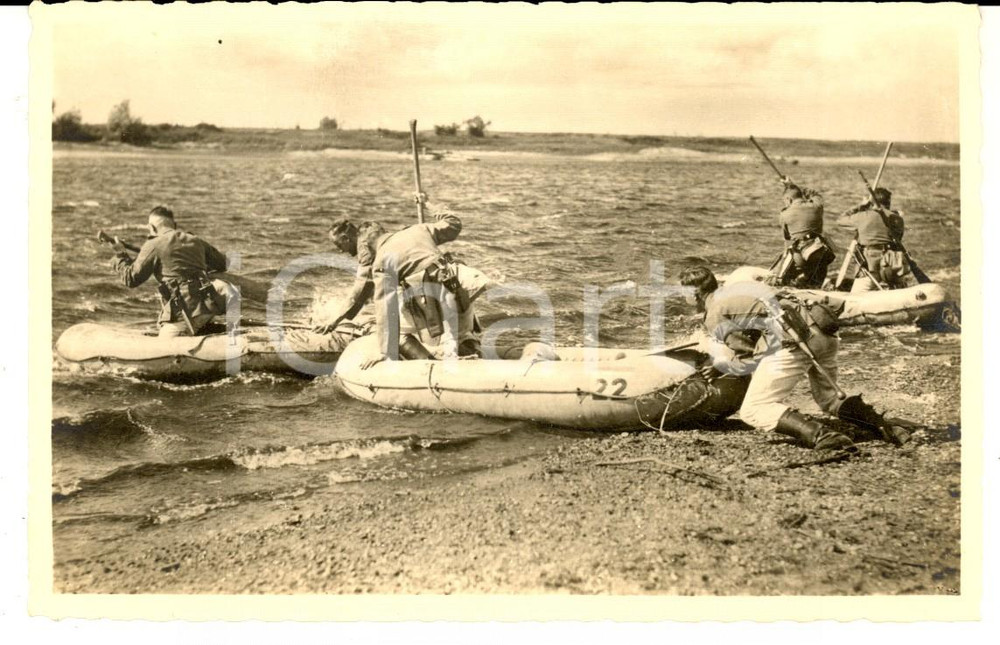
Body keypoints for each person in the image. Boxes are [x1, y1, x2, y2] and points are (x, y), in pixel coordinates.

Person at [679, 266, 910, 450]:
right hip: (823, 331)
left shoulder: (714, 313)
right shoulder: (738, 288)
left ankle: (824, 436)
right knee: (829, 398)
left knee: (753, 409)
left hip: (794, 341)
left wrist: (720, 367)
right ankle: (887, 428)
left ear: (695, 293)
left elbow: (748, 353)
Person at [336, 206, 490, 369]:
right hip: (461, 285)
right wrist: (429, 205)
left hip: (434, 295)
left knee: (401, 333)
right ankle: (475, 355)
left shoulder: (381, 260)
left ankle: (430, 366)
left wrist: (385, 351)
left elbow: (386, 308)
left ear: (367, 244)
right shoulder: (418, 229)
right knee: (461, 334)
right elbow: (453, 224)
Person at [110, 206, 237, 337]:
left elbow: (131, 279)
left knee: (164, 344)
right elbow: (223, 264)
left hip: (187, 311)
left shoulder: (153, 244)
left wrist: (121, 255)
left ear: (152, 228)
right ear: (174, 225)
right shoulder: (195, 240)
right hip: (211, 306)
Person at [311, 219, 385, 334]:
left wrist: (333, 321)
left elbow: (360, 288)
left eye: (339, 245)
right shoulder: (369, 231)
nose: (340, 251)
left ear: (346, 239)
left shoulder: (365, 250)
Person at [836, 187, 911, 291]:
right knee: (900, 288)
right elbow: (898, 238)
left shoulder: (863, 216)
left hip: (871, 265)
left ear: (872, 202)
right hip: (892, 265)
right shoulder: (897, 219)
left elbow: (840, 220)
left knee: (857, 295)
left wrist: (860, 206)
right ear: (888, 201)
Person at [769, 179, 836, 288]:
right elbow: (814, 194)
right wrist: (793, 185)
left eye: (785, 201)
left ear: (789, 199)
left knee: (784, 278)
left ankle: (788, 282)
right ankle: (816, 286)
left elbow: (787, 239)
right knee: (817, 272)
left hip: (800, 255)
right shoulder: (817, 206)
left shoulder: (785, 214)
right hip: (819, 252)